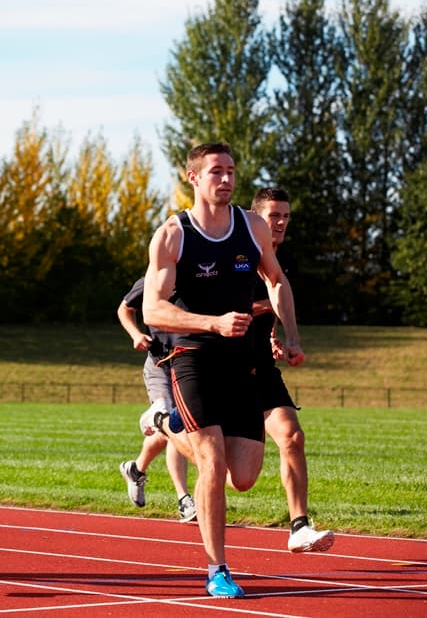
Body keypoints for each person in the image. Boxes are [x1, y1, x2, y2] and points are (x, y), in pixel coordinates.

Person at [143, 142, 305, 599]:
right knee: (211, 462)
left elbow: (276, 280)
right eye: (217, 171)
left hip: (241, 363)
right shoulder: (174, 234)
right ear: (194, 177)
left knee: (243, 477)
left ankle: (161, 425)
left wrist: (290, 335)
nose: (227, 179)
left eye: (232, 171)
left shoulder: (252, 228)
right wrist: (210, 322)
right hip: (191, 358)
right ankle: (218, 569)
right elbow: (154, 309)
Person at [249, 187, 334, 553]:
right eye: (274, 216)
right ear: (257, 219)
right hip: (221, 368)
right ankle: (165, 427)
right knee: (236, 475)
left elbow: (275, 297)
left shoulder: (286, 262)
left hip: (261, 366)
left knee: (292, 437)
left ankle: (299, 525)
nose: (281, 222)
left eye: (285, 216)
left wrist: (281, 339)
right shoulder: (236, 253)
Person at [116, 277, 196, 523]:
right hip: (160, 364)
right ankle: (184, 500)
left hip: (191, 364)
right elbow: (124, 309)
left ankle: (136, 469)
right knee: (174, 424)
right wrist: (136, 334)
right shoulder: (152, 279)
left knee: (168, 429)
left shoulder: (199, 277)